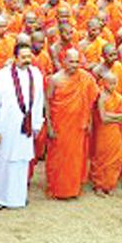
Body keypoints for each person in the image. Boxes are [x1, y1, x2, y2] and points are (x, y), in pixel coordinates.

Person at [0, 42, 44, 209]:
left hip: (25, 127)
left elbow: (38, 101)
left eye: (29, 57)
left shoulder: (36, 74)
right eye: (23, 57)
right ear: (15, 58)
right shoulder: (2, 76)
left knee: (21, 160)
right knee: (4, 160)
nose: (27, 60)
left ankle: (18, 197)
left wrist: (36, 124)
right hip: (6, 126)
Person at [45, 48, 98, 199]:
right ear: (63, 61)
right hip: (60, 125)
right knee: (58, 156)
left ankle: (72, 189)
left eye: (77, 62)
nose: (75, 65)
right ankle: (57, 189)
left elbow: (92, 99)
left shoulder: (85, 78)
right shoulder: (55, 79)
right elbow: (47, 103)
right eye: (71, 61)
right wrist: (48, 125)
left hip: (78, 125)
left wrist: (88, 120)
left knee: (75, 157)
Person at [90, 72, 122, 196]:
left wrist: (110, 116)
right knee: (101, 158)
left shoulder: (119, 98)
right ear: (104, 83)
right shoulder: (101, 97)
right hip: (103, 132)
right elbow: (103, 118)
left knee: (115, 158)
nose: (112, 86)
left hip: (115, 132)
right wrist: (116, 117)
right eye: (109, 83)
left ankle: (109, 184)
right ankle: (99, 185)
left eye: (114, 83)